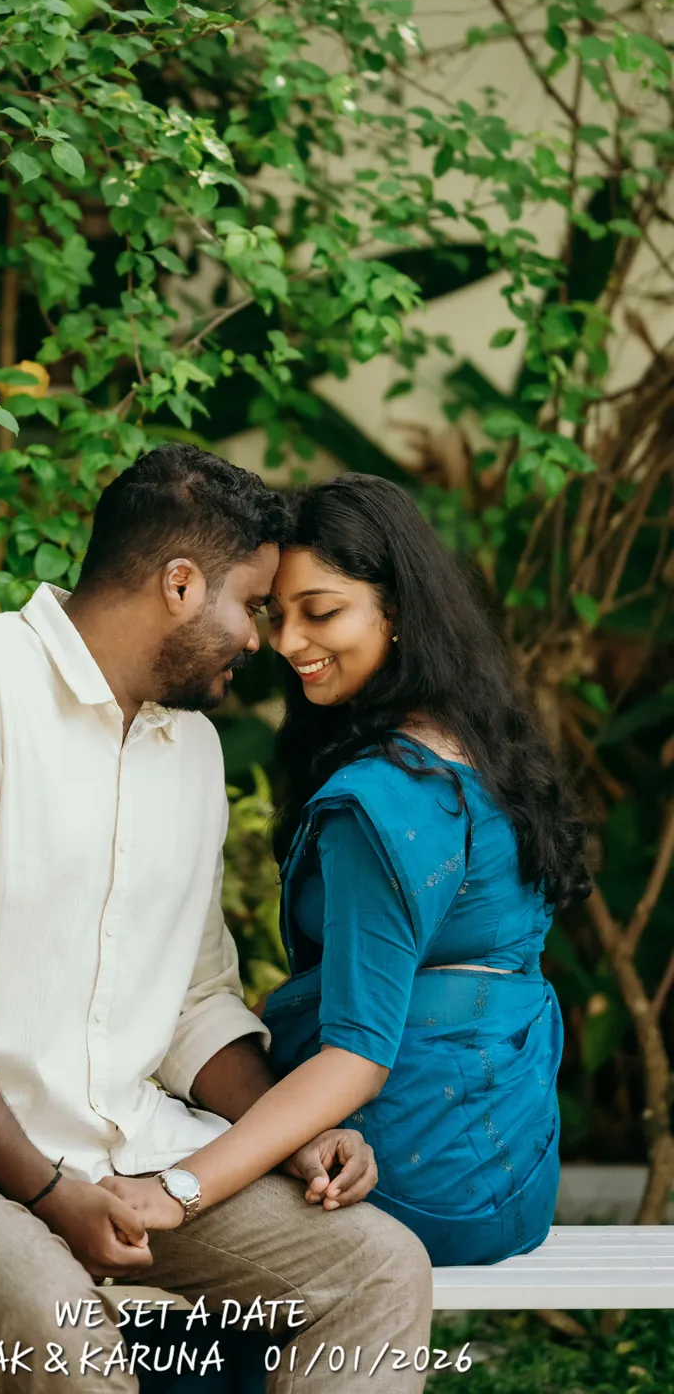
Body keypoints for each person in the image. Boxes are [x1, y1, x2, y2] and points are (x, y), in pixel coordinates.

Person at [0, 446, 433, 1394]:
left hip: (127, 1155)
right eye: (250, 605)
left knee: (375, 1268)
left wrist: (286, 1129)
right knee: (55, 1328)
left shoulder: (191, 753)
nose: (260, 640)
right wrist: (47, 1194)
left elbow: (193, 1002)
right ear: (180, 585)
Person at [104, 473, 588, 1269]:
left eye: (321, 612)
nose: (290, 643)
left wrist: (179, 1190)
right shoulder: (474, 750)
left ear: (395, 611)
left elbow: (355, 1062)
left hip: (401, 1176)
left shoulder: (385, 801)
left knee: (113, 1173)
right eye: (277, 614)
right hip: (507, 1173)